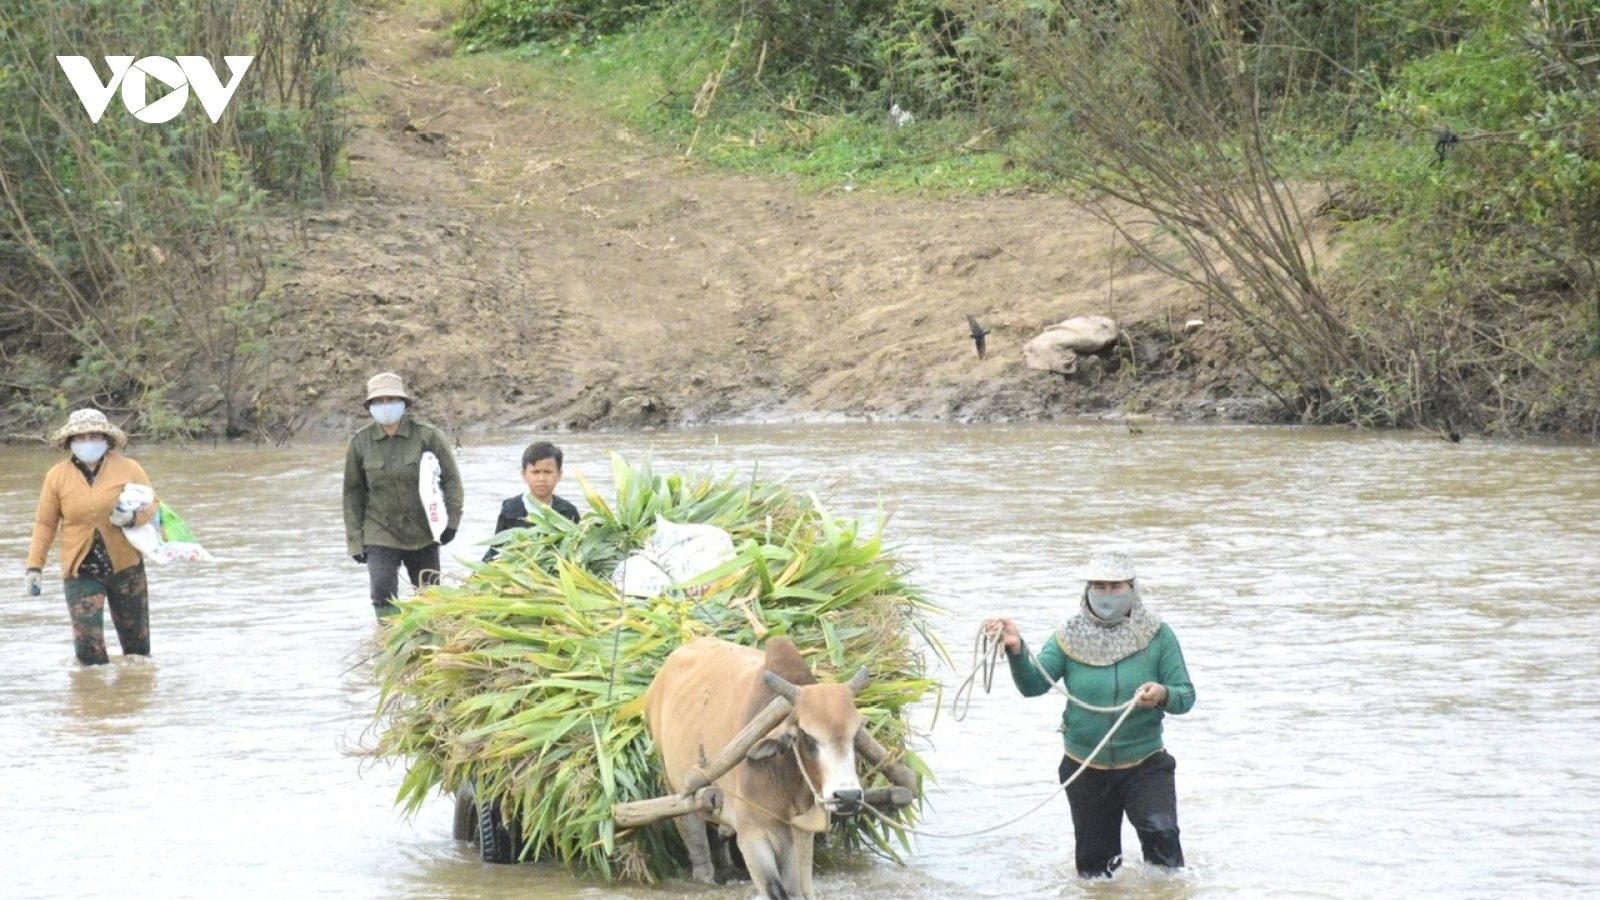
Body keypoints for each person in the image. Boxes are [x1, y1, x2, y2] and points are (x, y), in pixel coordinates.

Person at [987, 550, 1195, 880]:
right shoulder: (1068, 636)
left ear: (1132, 588)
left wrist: (1162, 695)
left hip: (1145, 763)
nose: (1107, 594)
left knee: (1162, 839)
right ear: (1086, 590)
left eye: (1115, 586)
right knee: (1097, 869)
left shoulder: (1158, 635)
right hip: (1084, 766)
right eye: (1099, 586)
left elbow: (1186, 696)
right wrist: (1015, 648)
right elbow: (1034, 685)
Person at [24, 409, 159, 665]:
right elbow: (45, 523)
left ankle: (132, 699)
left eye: (94, 436)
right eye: (81, 437)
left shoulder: (129, 468)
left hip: (126, 567)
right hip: (81, 571)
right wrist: (34, 566)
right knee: (89, 655)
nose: (88, 443)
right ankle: (91, 700)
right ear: (70, 442)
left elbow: (153, 508)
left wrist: (131, 519)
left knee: (137, 653)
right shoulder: (56, 477)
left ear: (106, 439)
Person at [343, 372, 463, 619]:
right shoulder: (360, 443)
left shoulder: (428, 436)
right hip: (380, 530)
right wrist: (355, 540)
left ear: (404, 403)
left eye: (391, 400)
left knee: (430, 593)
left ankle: (429, 643)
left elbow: (451, 481)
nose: (385, 406)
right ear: (371, 407)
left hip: (424, 530)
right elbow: (353, 494)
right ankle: (389, 641)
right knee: (381, 589)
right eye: (379, 401)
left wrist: (451, 523)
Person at [482, 441, 580, 562]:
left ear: (559, 475)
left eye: (548, 472)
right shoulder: (511, 509)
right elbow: (496, 549)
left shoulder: (567, 512)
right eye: (535, 472)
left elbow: (576, 551)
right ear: (524, 475)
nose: (541, 479)